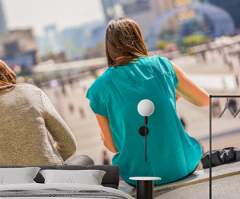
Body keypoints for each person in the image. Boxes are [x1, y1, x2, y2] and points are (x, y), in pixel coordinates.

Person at [86, 18, 209, 185]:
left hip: (139, 177)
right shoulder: (162, 65)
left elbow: (112, 146)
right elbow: (203, 100)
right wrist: (172, 96)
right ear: (138, 38)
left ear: (109, 47)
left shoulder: (98, 88)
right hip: (182, 165)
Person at [0, 57, 87, 166]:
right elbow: (69, 144)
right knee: (85, 160)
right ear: (7, 72)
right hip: (48, 177)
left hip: (3, 184)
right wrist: (47, 159)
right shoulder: (33, 92)